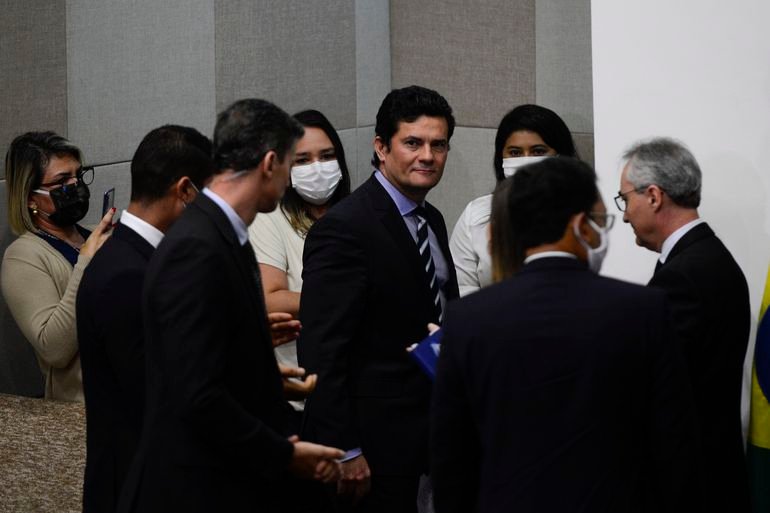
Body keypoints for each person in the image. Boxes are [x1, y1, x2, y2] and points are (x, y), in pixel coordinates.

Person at [431, 157, 698, 513]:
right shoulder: (645, 311)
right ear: (580, 226)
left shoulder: (467, 320)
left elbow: (451, 459)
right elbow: (675, 448)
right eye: (600, 220)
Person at [117, 100, 343, 513]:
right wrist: (285, 454)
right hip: (190, 489)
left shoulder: (224, 232)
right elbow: (195, 395)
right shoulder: (197, 246)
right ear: (271, 163)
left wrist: (259, 374)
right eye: (294, 163)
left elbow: (206, 361)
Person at [298, 85, 459, 512]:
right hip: (372, 447)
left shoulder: (433, 219)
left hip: (431, 438)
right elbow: (322, 349)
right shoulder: (344, 227)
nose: (427, 155)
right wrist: (344, 448)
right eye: (412, 142)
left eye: (438, 144)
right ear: (381, 148)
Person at [77, 125, 214, 513]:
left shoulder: (137, 259)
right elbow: (155, 394)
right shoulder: (128, 274)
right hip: (138, 489)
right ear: (185, 191)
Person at [616, 137, 751, 512]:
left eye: (625, 199)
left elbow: (650, 385)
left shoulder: (685, 276)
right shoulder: (708, 259)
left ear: (654, 196)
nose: (625, 215)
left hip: (692, 487)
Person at [249, 109, 351, 413]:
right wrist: (343, 297)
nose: (317, 168)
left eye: (327, 155)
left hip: (351, 382)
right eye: (303, 160)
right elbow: (270, 299)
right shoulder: (270, 218)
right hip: (297, 390)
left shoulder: (355, 213)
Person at [1, 132, 114, 402]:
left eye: (78, 175)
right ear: (30, 198)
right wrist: (86, 263)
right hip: (82, 411)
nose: (76, 186)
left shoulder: (93, 236)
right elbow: (54, 349)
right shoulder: (23, 256)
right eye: (63, 181)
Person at [449, 104, 578, 296]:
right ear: (501, 158)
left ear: (561, 156)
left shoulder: (581, 213)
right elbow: (461, 289)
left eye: (538, 151)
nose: (525, 161)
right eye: (515, 153)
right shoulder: (477, 214)